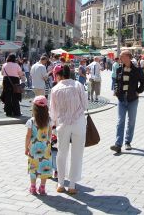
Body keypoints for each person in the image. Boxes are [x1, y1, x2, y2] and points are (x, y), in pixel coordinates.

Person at [50, 65, 88, 194]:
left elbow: (53, 111)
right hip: (78, 122)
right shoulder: (78, 85)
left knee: (62, 153)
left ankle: (61, 184)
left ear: (59, 75)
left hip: (62, 123)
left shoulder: (55, 89)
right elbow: (84, 105)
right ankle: (72, 185)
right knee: (77, 153)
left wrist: (55, 123)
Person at [111, 50, 144, 153]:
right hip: (122, 99)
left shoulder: (137, 70)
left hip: (132, 100)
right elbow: (116, 81)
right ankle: (118, 144)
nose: (120, 58)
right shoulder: (119, 69)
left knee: (131, 122)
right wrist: (116, 91)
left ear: (127, 57)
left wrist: (138, 91)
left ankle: (127, 142)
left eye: (121, 56)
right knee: (120, 121)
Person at [25, 96, 52, 195]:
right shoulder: (49, 120)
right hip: (46, 148)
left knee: (33, 167)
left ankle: (33, 187)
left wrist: (26, 148)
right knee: (44, 167)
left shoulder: (31, 121)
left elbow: (28, 136)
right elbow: (50, 133)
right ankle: (42, 188)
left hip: (33, 148)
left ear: (34, 108)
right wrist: (47, 142)